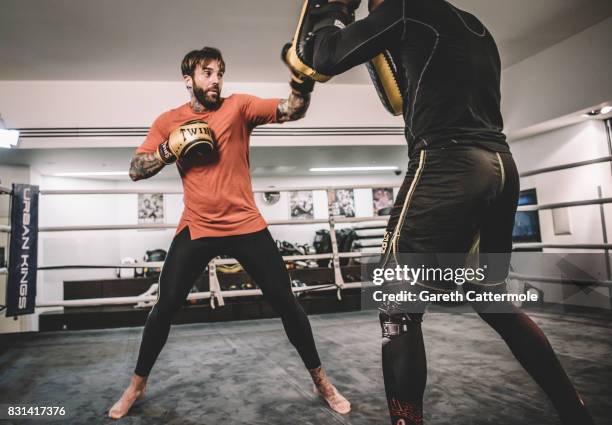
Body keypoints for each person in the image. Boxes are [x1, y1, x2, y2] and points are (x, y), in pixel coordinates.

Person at [283, 1, 595, 424]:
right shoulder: (473, 25)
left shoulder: (406, 9)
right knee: (493, 298)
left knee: (397, 301)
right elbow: (404, 93)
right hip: (501, 167)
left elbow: (323, 57)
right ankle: (574, 411)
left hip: (447, 164)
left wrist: (332, 12)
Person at [108, 46, 350, 419]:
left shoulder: (239, 107)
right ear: (188, 79)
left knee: (287, 303)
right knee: (164, 307)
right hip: (197, 227)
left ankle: (322, 381)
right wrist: (167, 150)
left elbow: (291, 109)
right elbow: (135, 169)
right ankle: (137, 385)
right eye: (207, 73)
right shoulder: (168, 120)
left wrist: (302, 83)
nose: (216, 80)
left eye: (220, 72)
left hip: (246, 225)